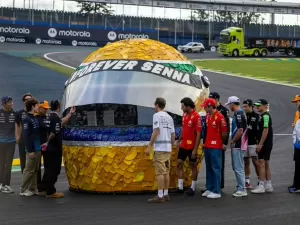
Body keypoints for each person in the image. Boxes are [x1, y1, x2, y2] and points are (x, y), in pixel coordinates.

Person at [40, 100, 75, 198]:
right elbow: (54, 132)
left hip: (47, 149)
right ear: (59, 106)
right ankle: (50, 191)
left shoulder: (48, 117)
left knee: (47, 169)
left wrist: (70, 113)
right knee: (54, 170)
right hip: (54, 148)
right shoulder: (55, 118)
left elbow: (61, 122)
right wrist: (48, 142)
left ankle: (43, 188)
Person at [146, 97, 175, 203]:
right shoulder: (169, 117)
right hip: (168, 148)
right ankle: (166, 194)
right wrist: (172, 145)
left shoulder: (156, 116)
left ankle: (160, 195)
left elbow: (156, 131)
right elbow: (173, 134)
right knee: (166, 171)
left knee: (160, 173)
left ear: (157, 105)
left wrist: (149, 145)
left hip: (160, 148)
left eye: (154, 105)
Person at [173, 97, 202, 196]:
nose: (181, 108)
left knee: (193, 165)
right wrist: (179, 140)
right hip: (184, 144)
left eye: (182, 106)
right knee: (179, 163)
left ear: (187, 106)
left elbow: (198, 134)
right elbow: (183, 128)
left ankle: (192, 188)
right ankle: (180, 187)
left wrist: (195, 149)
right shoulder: (184, 115)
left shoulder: (196, 116)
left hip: (192, 146)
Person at [201, 98, 227, 199]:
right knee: (209, 168)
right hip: (207, 145)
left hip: (216, 146)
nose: (204, 109)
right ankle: (209, 188)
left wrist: (220, 142)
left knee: (216, 168)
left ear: (210, 106)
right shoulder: (208, 116)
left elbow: (224, 133)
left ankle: (217, 190)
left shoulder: (220, 117)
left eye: (205, 107)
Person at [226, 96, 247, 197]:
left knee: (238, 167)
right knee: (237, 167)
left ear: (232, 104)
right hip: (238, 144)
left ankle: (242, 189)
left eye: (229, 104)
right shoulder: (239, 113)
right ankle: (240, 186)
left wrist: (233, 140)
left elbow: (240, 130)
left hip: (238, 144)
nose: (229, 106)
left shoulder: (239, 114)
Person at [251, 99, 274, 194]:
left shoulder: (265, 116)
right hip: (266, 143)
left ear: (265, 106)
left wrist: (260, 144)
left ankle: (261, 185)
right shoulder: (263, 115)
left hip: (265, 144)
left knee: (261, 163)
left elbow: (265, 130)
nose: (257, 107)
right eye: (256, 105)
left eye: (259, 105)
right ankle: (268, 185)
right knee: (266, 163)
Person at [20, 98, 41, 197]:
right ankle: (23, 189)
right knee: (29, 170)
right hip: (32, 149)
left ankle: (32, 189)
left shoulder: (35, 118)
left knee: (35, 169)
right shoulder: (26, 119)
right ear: (32, 106)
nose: (38, 107)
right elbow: (25, 135)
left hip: (38, 148)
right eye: (37, 105)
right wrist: (30, 150)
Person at [208, 92, 230, 190]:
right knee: (211, 165)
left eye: (212, 98)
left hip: (219, 142)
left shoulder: (224, 110)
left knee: (218, 164)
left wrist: (224, 143)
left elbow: (227, 127)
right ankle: (211, 185)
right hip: (210, 142)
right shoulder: (209, 110)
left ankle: (219, 185)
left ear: (217, 99)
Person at [0, 96, 18, 194]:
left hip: (11, 142)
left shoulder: (15, 114)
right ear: (4, 103)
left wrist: (17, 138)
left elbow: (18, 127)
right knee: (1, 164)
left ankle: (6, 185)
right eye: (9, 102)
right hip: (0, 142)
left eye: (11, 101)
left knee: (8, 164)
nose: (11, 103)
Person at [242, 99, 260, 189]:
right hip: (245, 142)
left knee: (255, 162)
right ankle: (247, 181)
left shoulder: (257, 116)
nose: (244, 108)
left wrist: (258, 143)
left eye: (246, 106)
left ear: (250, 106)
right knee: (246, 162)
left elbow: (258, 130)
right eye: (243, 106)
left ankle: (260, 181)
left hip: (253, 142)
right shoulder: (242, 115)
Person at [35, 101, 51, 193]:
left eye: (47, 109)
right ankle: (38, 185)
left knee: (47, 165)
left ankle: (44, 184)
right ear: (39, 108)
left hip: (46, 144)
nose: (46, 110)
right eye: (44, 108)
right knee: (37, 167)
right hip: (37, 145)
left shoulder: (47, 118)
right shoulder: (34, 118)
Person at [16, 93, 32, 173]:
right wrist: (18, 137)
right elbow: (18, 125)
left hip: (32, 139)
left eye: (29, 99)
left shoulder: (35, 112)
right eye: (26, 99)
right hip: (23, 140)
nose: (28, 101)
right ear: (23, 102)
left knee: (32, 159)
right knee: (23, 159)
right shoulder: (19, 113)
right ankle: (24, 177)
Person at [290, 105, 300, 193]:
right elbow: (295, 134)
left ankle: (297, 186)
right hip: (298, 147)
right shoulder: (298, 122)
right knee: (297, 166)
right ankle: (296, 184)